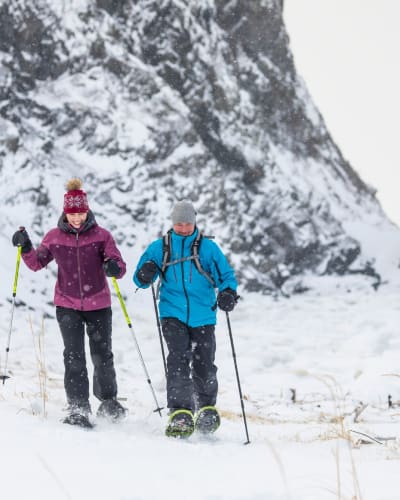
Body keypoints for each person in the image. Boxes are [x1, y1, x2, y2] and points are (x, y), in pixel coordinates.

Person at [12, 178, 127, 428]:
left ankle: (108, 401)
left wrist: (113, 266)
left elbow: (119, 267)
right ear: (65, 212)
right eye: (73, 214)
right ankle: (78, 408)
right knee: (74, 357)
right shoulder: (55, 237)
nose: (77, 219)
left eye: (81, 213)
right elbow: (36, 263)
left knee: (102, 355)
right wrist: (26, 246)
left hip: (98, 304)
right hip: (67, 305)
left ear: (87, 211)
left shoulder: (101, 236)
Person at [133, 200, 238, 438]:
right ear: (172, 223)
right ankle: (180, 412)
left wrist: (228, 293)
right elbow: (140, 280)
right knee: (178, 361)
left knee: (204, 362)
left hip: (203, 314)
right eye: (179, 223)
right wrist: (145, 272)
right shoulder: (159, 248)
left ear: (194, 222)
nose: (183, 227)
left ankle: (207, 408)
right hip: (172, 313)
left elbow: (226, 276)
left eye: (187, 223)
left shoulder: (208, 248)